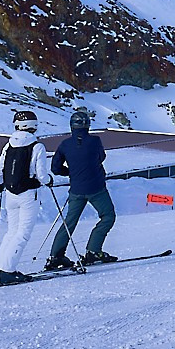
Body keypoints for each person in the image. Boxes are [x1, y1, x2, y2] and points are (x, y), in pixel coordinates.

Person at [0, 111, 54, 286]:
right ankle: (7, 271)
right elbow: (41, 175)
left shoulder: (9, 145)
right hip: (28, 195)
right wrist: (49, 181)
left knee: (11, 232)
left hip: (10, 194)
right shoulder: (37, 146)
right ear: (34, 126)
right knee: (23, 233)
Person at [48, 107, 118, 270]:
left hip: (76, 190)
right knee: (108, 216)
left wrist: (71, 171)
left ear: (72, 126)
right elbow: (101, 157)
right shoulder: (95, 141)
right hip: (96, 188)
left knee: (69, 222)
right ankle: (93, 251)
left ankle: (56, 256)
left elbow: (55, 168)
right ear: (88, 125)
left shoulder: (65, 144)